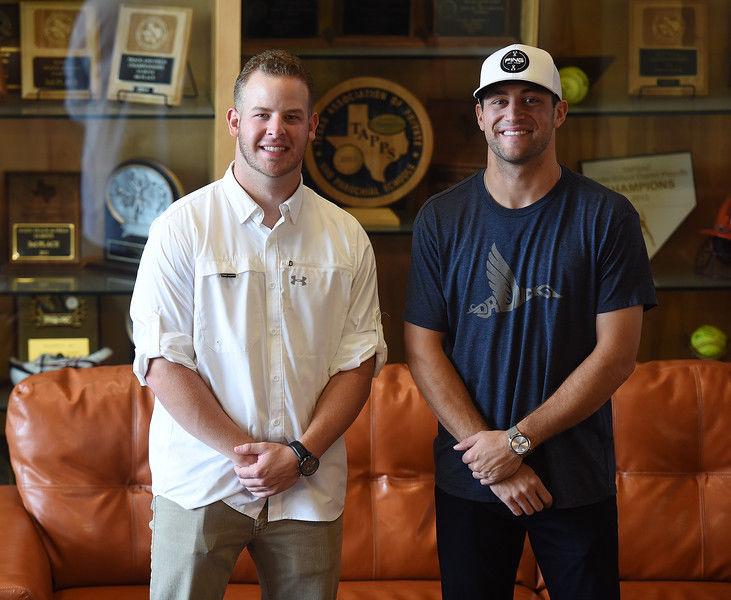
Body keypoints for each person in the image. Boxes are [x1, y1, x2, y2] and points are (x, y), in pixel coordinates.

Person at [130, 49, 387, 600]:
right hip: (201, 481)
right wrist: (245, 456)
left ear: (313, 126)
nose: (277, 130)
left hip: (307, 486)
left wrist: (296, 456)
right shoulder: (180, 228)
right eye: (262, 115)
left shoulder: (346, 237)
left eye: (292, 117)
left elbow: (357, 365)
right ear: (234, 122)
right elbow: (161, 361)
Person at [403, 44, 657, 600]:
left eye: (530, 99)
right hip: (472, 478)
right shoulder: (440, 218)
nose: (513, 112)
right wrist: (492, 458)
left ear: (558, 112)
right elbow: (423, 351)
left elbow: (615, 355)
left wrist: (516, 442)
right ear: (480, 114)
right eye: (498, 100)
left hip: (574, 477)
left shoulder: (607, 216)